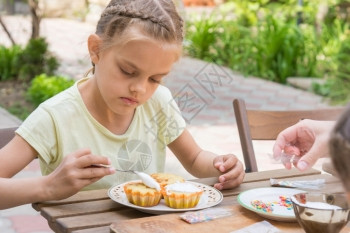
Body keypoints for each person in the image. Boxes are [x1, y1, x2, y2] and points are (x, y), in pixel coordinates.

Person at [0, 0, 244, 210]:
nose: (140, 89)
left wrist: (220, 165)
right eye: (128, 71)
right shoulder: (55, 117)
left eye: (155, 79)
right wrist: (48, 186)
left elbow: (195, 158)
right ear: (96, 50)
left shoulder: (158, 102)